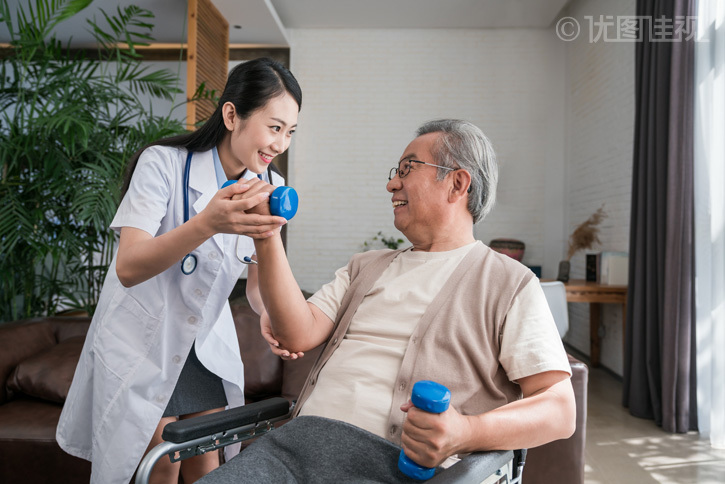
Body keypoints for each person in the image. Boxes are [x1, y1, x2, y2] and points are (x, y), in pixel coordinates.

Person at [198, 119, 576, 483]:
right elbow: (296, 333)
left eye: (407, 169)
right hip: (290, 450)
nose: (392, 183)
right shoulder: (364, 266)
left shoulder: (508, 283)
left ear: (458, 183)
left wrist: (464, 432)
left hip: (392, 470)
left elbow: (559, 409)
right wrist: (265, 234)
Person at [56, 57, 302, 484]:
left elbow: (259, 284)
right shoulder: (163, 163)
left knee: (206, 460)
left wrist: (272, 319)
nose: (281, 144)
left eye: (290, 132)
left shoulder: (271, 188)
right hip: (143, 338)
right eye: (274, 127)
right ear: (231, 115)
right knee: (163, 462)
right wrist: (207, 223)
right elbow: (130, 266)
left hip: (201, 340)